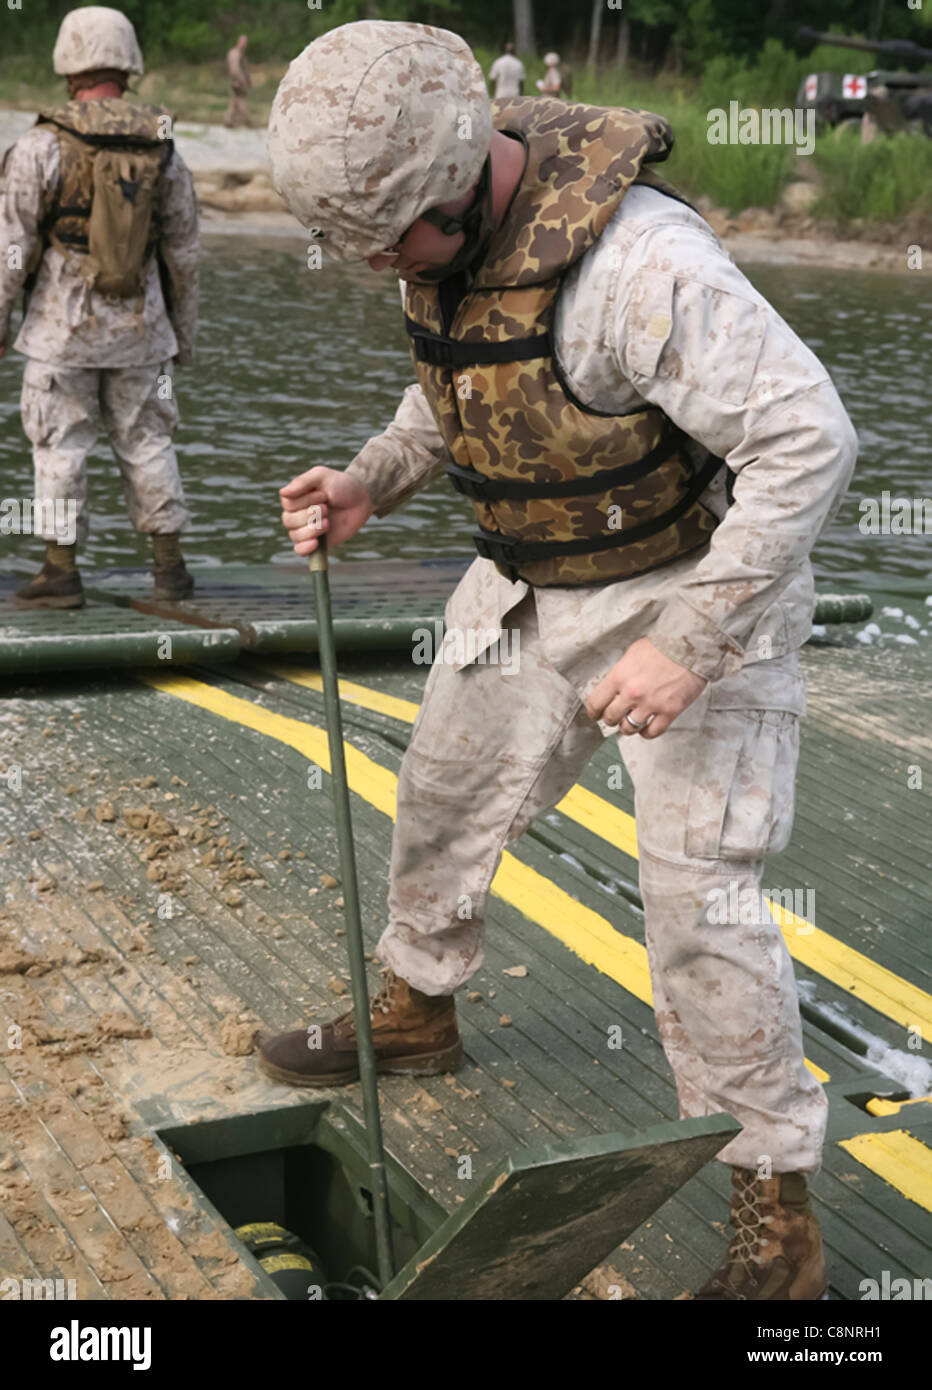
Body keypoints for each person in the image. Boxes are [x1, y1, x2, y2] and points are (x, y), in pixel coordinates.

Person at [262, 21, 858, 1301]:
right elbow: (455, 384)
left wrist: (691, 644)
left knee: (702, 907)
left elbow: (809, 439)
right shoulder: (444, 230)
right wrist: (370, 479)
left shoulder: (646, 265)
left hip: (700, 584)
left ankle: (779, 1221)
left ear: (454, 187)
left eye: (385, 245)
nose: (375, 266)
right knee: (441, 790)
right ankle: (417, 1011)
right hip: (534, 575)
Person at [0, 5, 200, 609]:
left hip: (60, 333)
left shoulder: (38, 147)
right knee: (149, 440)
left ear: (68, 64)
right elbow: (184, 254)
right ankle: (170, 570)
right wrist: (182, 339)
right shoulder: (164, 149)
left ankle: (60, 572)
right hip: (145, 336)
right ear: (129, 64)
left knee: (60, 445)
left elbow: (12, 251)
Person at [224, 35, 252, 128]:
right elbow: (235, 70)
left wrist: (247, 81)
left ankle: (232, 121)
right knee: (239, 102)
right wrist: (243, 81)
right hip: (237, 82)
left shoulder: (240, 54)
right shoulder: (235, 54)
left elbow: (244, 69)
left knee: (235, 102)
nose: (245, 45)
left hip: (239, 82)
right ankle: (244, 121)